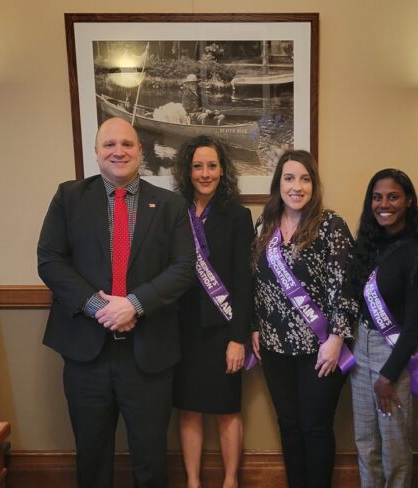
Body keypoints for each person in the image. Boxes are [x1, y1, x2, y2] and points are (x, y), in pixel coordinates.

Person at [38, 117, 195, 488]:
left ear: (141, 151)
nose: (118, 151)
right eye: (109, 145)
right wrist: (99, 306)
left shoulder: (170, 204)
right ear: (96, 153)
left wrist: (134, 304)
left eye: (127, 144)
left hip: (149, 355)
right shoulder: (69, 197)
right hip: (86, 353)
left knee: (151, 461)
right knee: (91, 459)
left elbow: (183, 267)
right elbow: (50, 260)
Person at [251, 150, 358, 488]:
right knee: (289, 424)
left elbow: (347, 287)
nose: (297, 187)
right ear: (278, 183)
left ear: (314, 184)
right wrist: (255, 325)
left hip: (321, 347)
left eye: (304, 179)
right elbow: (255, 280)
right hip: (274, 346)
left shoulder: (331, 225)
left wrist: (337, 338)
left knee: (315, 426)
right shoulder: (264, 225)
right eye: (289, 178)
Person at [171, 135, 255, 488]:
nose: (205, 174)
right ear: (187, 171)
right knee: (188, 408)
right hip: (183, 328)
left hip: (223, 329)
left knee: (226, 409)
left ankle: (230, 481)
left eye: (212, 166)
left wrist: (239, 338)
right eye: (197, 166)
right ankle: (192, 481)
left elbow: (243, 281)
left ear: (223, 171)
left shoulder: (238, 216)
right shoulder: (174, 211)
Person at [350, 169, 418, 488]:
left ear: (409, 201)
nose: (384, 204)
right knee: (365, 442)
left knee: (394, 446)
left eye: (393, 196)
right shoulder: (367, 247)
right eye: (377, 197)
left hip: (393, 354)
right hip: (361, 348)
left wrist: (389, 374)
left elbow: (415, 326)